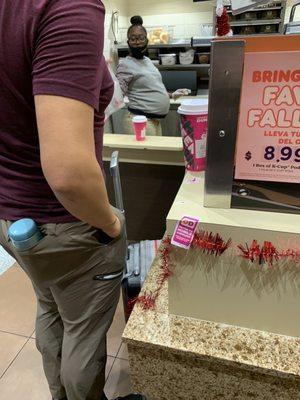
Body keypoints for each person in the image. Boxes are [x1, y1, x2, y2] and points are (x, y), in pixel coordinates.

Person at [0, 1, 145, 400]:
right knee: (82, 326)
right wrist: (111, 223)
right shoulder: (65, 6)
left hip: (14, 220)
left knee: (50, 305)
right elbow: (68, 175)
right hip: (67, 222)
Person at [116, 16, 190, 136]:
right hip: (139, 120)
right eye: (133, 39)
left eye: (141, 38)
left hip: (154, 121)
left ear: (147, 40)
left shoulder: (147, 61)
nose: (137, 42)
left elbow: (151, 88)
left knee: (156, 154)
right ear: (128, 42)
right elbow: (118, 94)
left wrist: (172, 95)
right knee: (147, 155)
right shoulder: (125, 64)